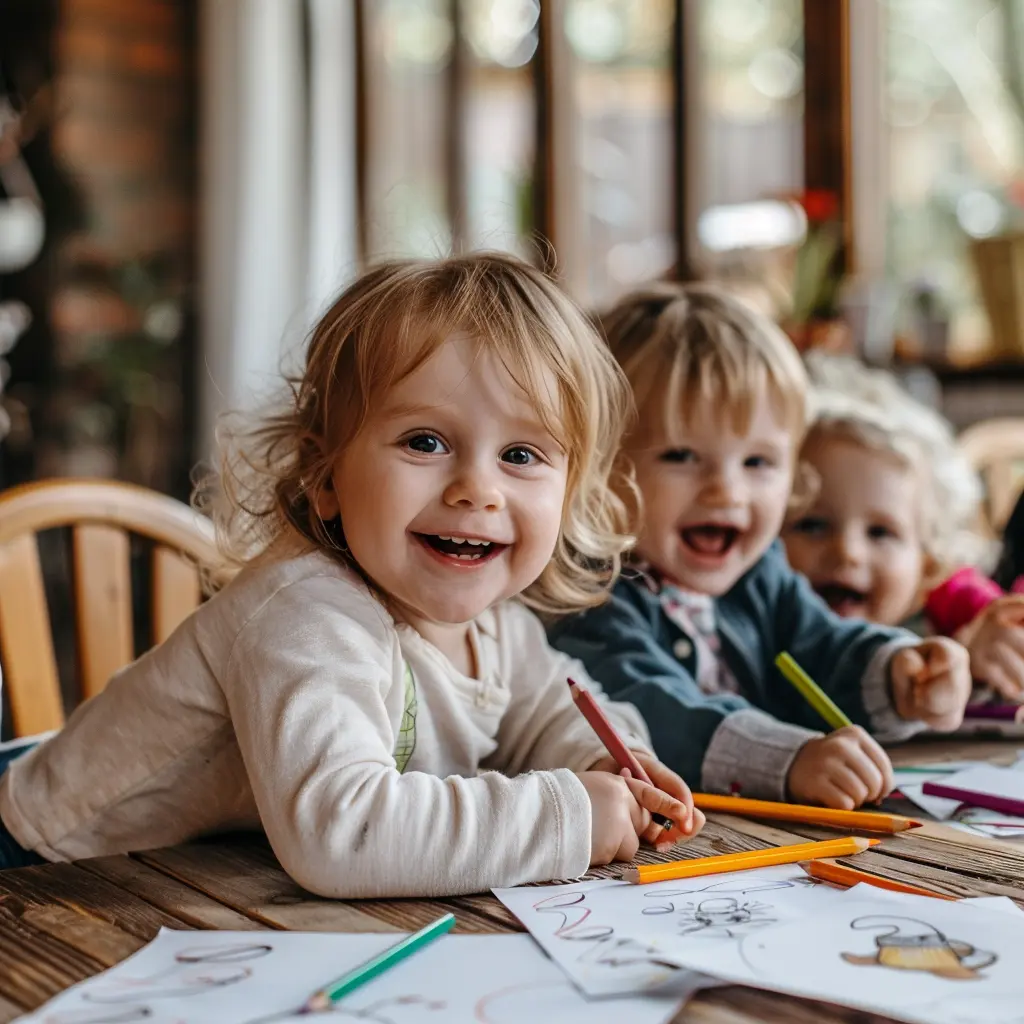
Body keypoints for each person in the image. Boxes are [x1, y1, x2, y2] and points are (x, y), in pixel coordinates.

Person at [0, 253, 703, 890]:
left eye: (521, 456)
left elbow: (554, 714)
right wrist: (567, 817)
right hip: (40, 862)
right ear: (324, 474)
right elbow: (344, 835)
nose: (477, 489)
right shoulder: (304, 613)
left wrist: (613, 766)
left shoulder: (502, 629)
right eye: (425, 442)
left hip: (184, 874)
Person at [550, 284, 972, 811]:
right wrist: (788, 761)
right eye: (681, 455)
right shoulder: (585, 592)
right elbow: (648, 708)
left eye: (758, 463)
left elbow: (822, 645)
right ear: (598, 464)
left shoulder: (758, 572)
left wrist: (898, 673)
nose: (727, 491)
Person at [785, 354, 1024, 699]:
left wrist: (973, 659)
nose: (848, 551)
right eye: (812, 525)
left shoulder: (947, 606)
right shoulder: (748, 629)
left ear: (927, 566)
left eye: (880, 532)